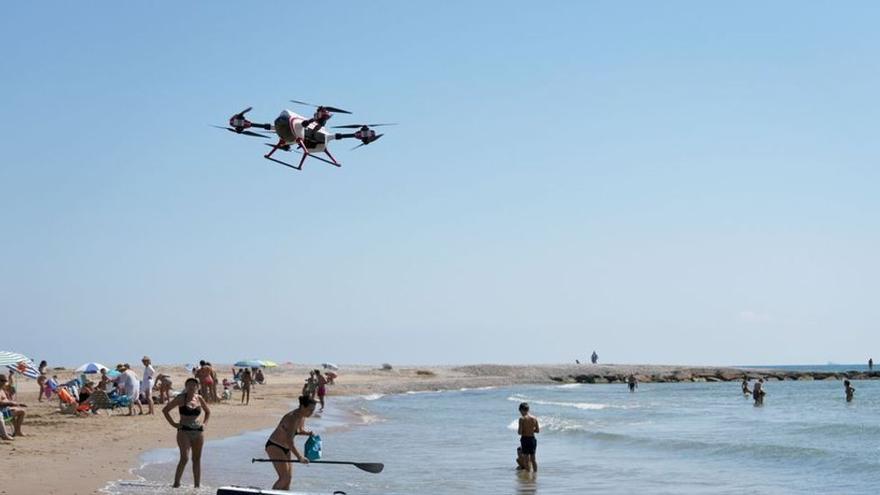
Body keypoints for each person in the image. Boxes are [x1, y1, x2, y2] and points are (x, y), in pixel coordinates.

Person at [162, 378, 210, 488]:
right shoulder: (180, 398)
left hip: (198, 431)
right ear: (186, 387)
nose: (191, 387)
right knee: (185, 458)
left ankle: (197, 487)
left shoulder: (199, 398)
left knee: (197, 459)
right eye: (189, 385)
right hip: (184, 431)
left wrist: (205, 424)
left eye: (194, 385)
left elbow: (208, 412)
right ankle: (176, 484)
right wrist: (173, 424)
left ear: (197, 387)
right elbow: (165, 410)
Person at [265, 395, 316, 490]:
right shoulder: (293, 418)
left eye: (313, 410)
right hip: (274, 446)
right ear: (302, 407)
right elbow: (289, 441)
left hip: (286, 448)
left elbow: (299, 430)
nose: (312, 413)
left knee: (288, 479)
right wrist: (300, 457)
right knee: (284, 478)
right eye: (310, 410)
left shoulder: (302, 416)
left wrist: (308, 433)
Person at [517, 402, 539, 472]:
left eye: (520, 411)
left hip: (525, 439)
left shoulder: (522, 419)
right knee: (533, 459)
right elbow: (537, 430)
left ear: (521, 410)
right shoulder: (534, 418)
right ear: (528, 409)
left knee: (526, 460)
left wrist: (525, 430)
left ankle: (528, 476)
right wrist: (531, 430)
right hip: (532, 439)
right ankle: (535, 474)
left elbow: (519, 432)